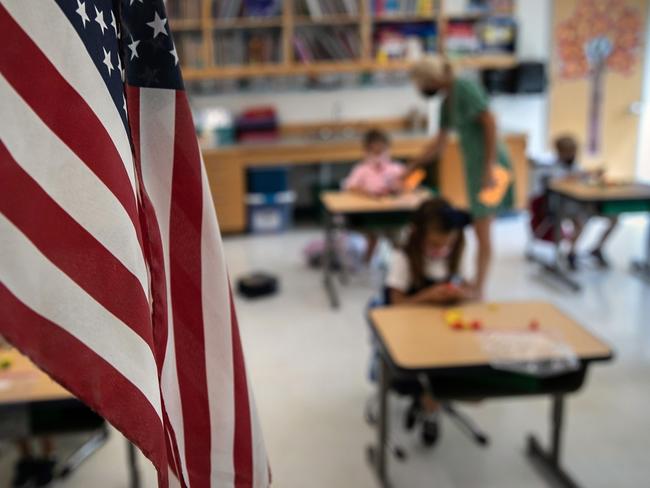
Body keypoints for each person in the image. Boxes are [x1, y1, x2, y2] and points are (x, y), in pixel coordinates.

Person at [406, 55, 514, 298]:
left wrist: (489, 166)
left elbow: (490, 122)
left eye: (422, 84)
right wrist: (411, 166)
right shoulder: (447, 103)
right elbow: (439, 144)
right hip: (476, 166)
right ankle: (475, 283)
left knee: (482, 227)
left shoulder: (464, 88)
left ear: (432, 79)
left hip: (490, 166)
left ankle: (479, 288)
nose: (423, 90)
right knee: (479, 223)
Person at [383, 198, 473, 445]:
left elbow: (469, 289)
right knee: (429, 372)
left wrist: (462, 294)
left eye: (449, 243)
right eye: (435, 243)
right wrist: (427, 297)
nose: (442, 249)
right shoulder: (403, 258)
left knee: (460, 369)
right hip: (410, 335)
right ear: (418, 234)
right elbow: (394, 306)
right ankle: (428, 404)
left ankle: (430, 405)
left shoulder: (456, 252)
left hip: (446, 332)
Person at [550, 135, 618, 270]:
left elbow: (583, 180)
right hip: (562, 207)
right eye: (569, 151)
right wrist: (583, 175)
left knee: (614, 217)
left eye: (574, 151)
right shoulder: (553, 167)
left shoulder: (576, 166)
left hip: (584, 205)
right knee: (581, 221)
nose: (572, 154)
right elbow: (560, 181)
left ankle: (597, 248)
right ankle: (571, 253)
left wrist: (593, 176)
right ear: (560, 152)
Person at [343, 128, 406, 262]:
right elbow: (350, 187)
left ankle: (400, 264)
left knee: (399, 238)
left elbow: (406, 186)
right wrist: (368, 193)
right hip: (369, 216)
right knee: (373, 235)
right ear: (366, 151)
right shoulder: (361, 170)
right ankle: (367, 261)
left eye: (381, 151)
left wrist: (398, 189)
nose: (378, 155)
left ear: (388, 150)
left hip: (393, 214)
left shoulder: (396, 168)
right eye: (374, 152)